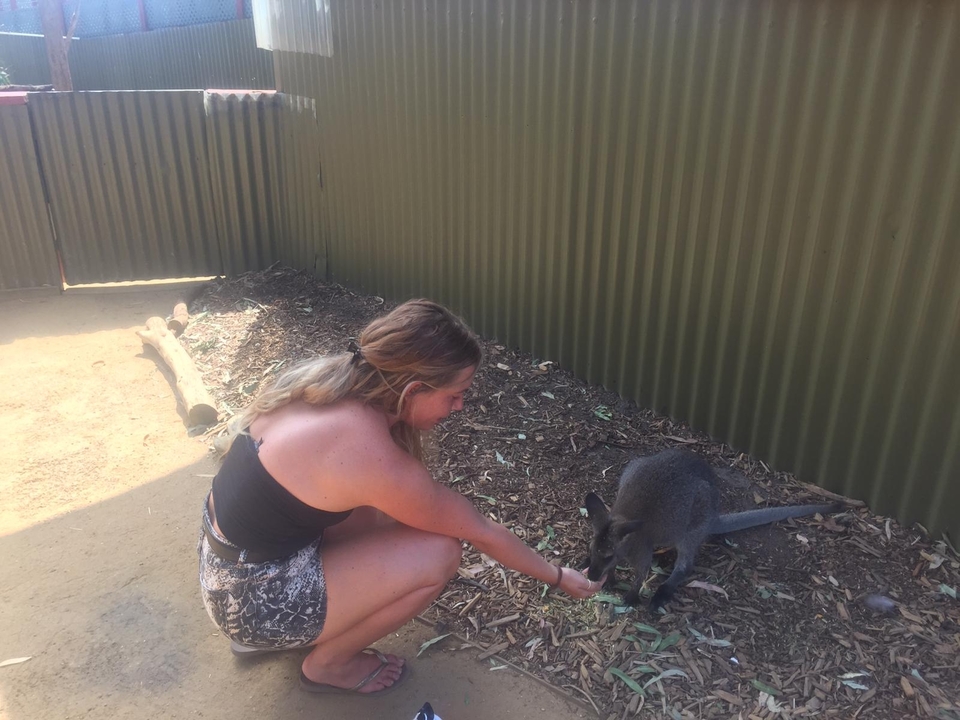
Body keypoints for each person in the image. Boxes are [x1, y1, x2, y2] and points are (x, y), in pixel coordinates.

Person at [197, 299, 603, 696]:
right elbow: (481, 531)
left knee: (388, 514)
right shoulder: (368, 453)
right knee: (440, 552)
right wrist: (557, 575)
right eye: (455, 394)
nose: (460, 406)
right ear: (413, 389)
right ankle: (328, 665)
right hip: (252, 604)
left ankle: (285, 631)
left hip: (227, 571)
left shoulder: (326, 382)